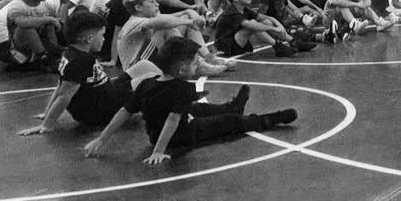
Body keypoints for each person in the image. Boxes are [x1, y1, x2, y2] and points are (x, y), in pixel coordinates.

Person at [83, 37, 296, 165]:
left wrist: (101, 140)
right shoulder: (184, 88)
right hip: (183, 135)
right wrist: (159, 150)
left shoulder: (147, 83)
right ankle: (271, 118)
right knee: (232, 122)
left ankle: (232, 106)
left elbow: (124, 111)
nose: (197, 67)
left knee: (197, 108)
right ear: (183, 69)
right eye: (196, 64)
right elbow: (173, 121)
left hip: (159, 132)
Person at [18, 11, 134, 135]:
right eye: (102, 35)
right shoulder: (80, 62)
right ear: (89, 38)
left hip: (101, 99)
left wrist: (47, 112)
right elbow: (64, 96)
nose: (104, 39)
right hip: (98, 112)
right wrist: (46, 125)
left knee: (137, 72)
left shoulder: (70, 53)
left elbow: (60, 87)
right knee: (144, 84)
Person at [118, 0, 230, 77]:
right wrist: (190, 21)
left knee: (180, 21)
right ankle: (198, 63)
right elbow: (164, 21)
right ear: (138, 7)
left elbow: (170, 18)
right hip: (137, 69)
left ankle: (207, 58)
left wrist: (188, 12)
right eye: (152, 2)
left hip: (145, 62)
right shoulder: (135, 22)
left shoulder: (144, 18)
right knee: (168, 28)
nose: (157, 4)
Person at [216, 0, 300, 55]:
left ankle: (293, 41)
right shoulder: (231, 11)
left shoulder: (245, 9)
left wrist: (280, 27)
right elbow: (250, 25)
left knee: (266, 21)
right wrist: (273, 28)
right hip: (226, 46)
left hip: (237, 40)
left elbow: (268, 18)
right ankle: (277, 46)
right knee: (253, 23)